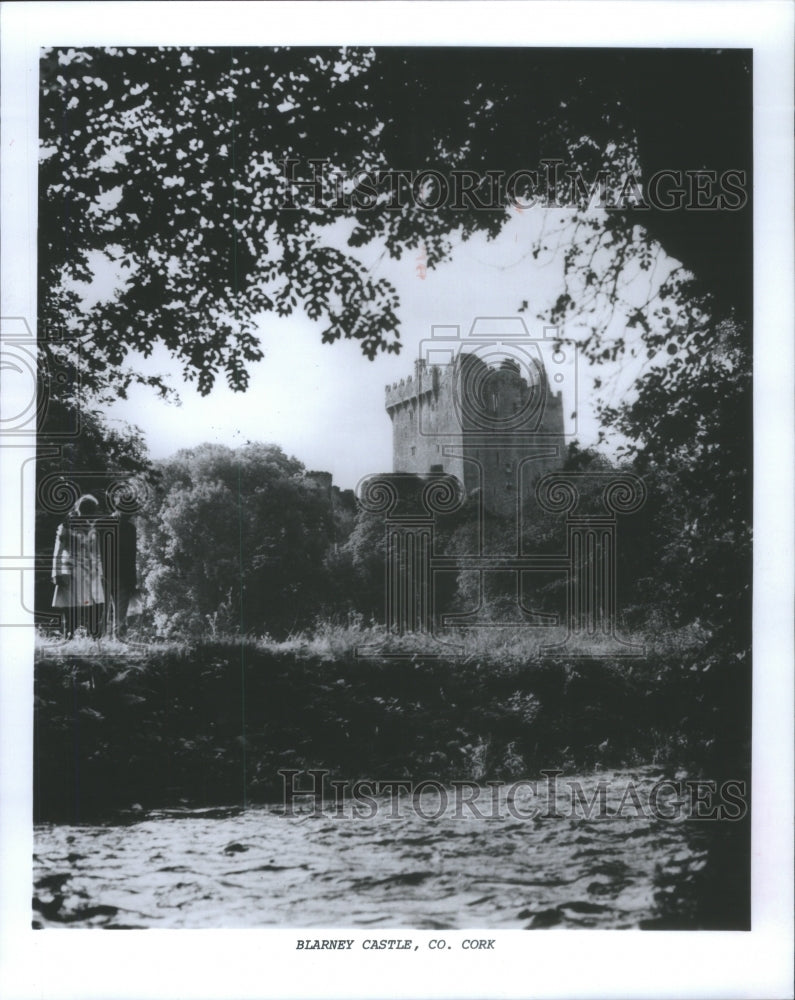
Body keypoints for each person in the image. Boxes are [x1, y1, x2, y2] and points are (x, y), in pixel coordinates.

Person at [51, 494, 105, 639]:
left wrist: (100, 574)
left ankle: (94, 642)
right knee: (71, 612)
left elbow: (97, 553)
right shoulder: (66, 527)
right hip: (71, 573)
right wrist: (56, 573)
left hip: (91, 575)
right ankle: (69, 640)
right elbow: (58, 552)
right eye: (87, 511)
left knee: (94, 610)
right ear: (80, 510)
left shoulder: (92, 529)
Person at [103, 509, 138, 638]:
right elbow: (131, 555)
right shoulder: (129, 528)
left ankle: (103, 643)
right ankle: (117, 641)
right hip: (117, 575)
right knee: (118, 613)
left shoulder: (104, 524)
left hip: (108, 574)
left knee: (106, 613)